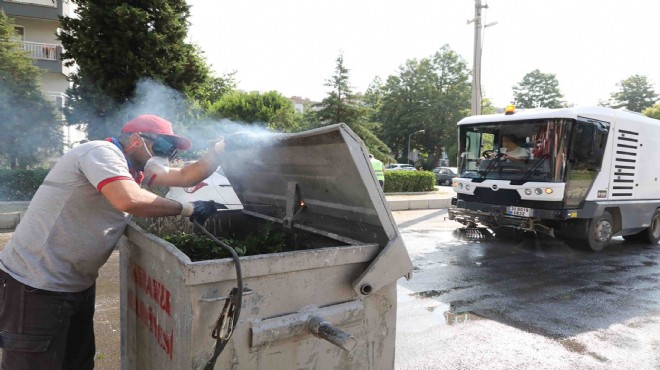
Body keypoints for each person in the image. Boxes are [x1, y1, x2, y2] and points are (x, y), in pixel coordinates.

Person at [0, 114, 223, 370]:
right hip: (35, 285)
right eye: (161, 147)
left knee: (77, 363)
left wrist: (217, 152)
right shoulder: (100, 152)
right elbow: (128, 199)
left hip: (76, 284)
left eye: (171, 151)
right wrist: (188, 208)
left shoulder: (132, 170)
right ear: (136, 140)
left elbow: (186, 175)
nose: (166, 156)